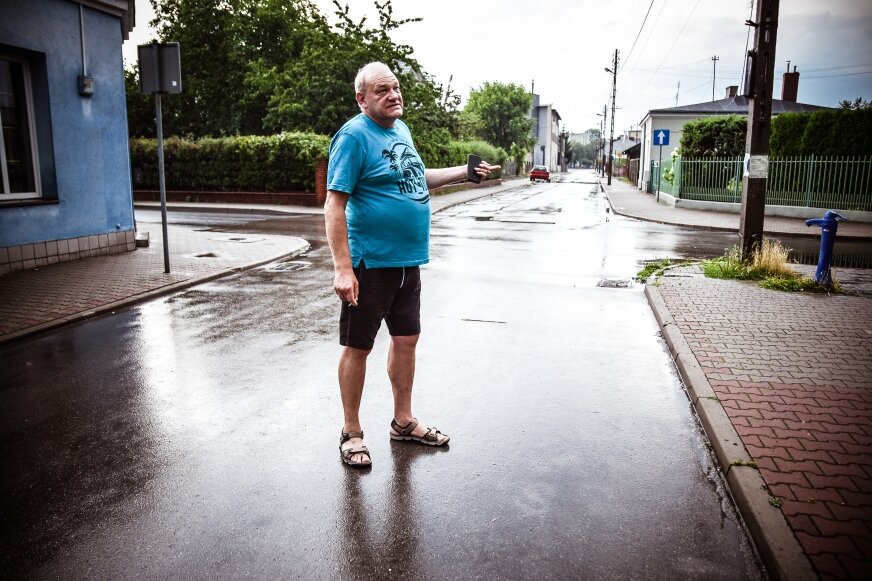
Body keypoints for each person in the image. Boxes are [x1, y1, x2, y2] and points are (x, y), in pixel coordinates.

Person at [325, 61, 499, 468]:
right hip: (371, 263)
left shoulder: (400, 130)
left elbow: (417, 178)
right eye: (382, 90)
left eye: (397, 87)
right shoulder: (353, 136)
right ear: (362, 98)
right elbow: (334, 205)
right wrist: (343, 268)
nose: (394, 95)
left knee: (406, 341)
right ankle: (351, 432)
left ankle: (403, 421)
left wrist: (465, 173)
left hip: (407, 263)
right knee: (358, 347)